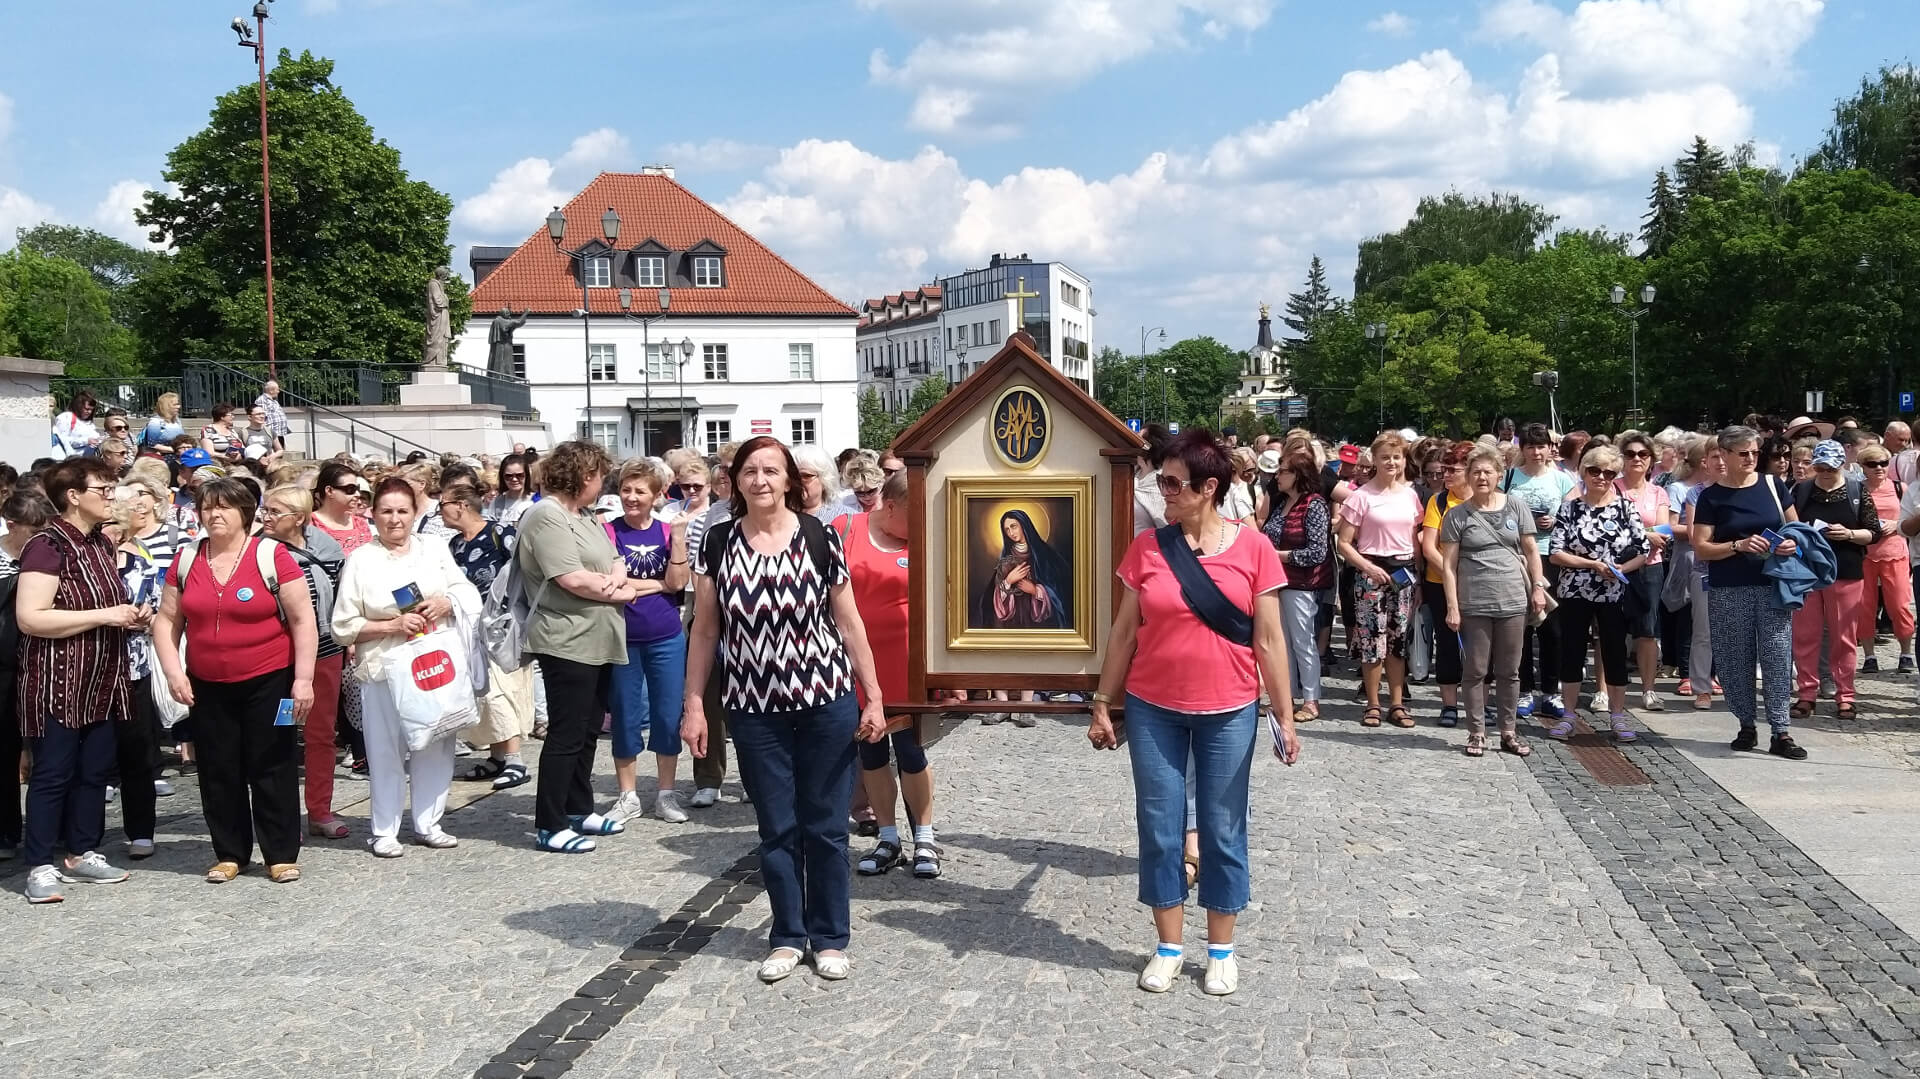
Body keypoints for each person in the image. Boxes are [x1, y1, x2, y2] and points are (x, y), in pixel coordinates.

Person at [1087, 429, 1302, 996]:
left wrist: (1284, 715)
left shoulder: (1254, 549)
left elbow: (1270, 641)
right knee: (1160, 827)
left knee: (1223, 827)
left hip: (1230, 708)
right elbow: (1124, 632)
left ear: (1209, 488)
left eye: (1173, 484)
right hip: (1152, 707)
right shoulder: (1148, 548)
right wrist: (1103, 701)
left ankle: (1222, 950)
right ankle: (1168, 947)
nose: (1163, 492)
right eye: (1161, 482)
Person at [681, 435, 889, 983]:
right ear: (736, 481)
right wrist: (694, 703)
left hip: (826, 700)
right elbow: (705, 630)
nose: (761, 480)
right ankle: (787, 936)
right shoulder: (719, 541)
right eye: (750, 471)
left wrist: (873, 696)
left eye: (772, 470)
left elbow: (849, 623)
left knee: (826, 826)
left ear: (790, 480)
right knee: (776, 827)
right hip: (753, 707)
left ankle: (830, 936)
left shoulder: (819, 535)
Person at [152, 477, 317, 885]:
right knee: (217, 769)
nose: (215, 514)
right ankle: (230, 852)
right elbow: (167, 621)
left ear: (245, 513)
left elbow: (303, 620)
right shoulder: (187, 558)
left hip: (271, 680)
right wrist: (174, 671)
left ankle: (280, 853)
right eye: (208, 507)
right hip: (207, 683)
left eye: (224, 507)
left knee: (273, 764)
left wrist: (303, 679)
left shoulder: (272, 555)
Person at [329, 478, 483, 858]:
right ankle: (384, 830)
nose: (394, 519)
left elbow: (467, 591)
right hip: (384, 667)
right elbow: (343, 626)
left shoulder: (434, 547)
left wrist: (446, 602)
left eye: (402, 511)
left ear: (415, 513)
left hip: (434, 662)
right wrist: (392, 625)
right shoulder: (361, 559)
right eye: (386, 511)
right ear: (373, 514)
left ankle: (429, 822)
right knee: (386, 751)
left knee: (436, 742)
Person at [15, 459, 143, 902]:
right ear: (73, 496)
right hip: (58, 680)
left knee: (94, 772)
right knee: (53, 774)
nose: (111, 497)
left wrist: (131, 615)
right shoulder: (47, 545)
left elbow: (106, 605)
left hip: (103, 678)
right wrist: (105, 615)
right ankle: (39, 864)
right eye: (103, 490)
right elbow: (31, 617)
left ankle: (81, 851)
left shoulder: (101, 542)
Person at [518, 441, 641, 854]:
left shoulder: (585, 515)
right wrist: (621, 591)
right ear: (583, 476)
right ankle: (550, 822)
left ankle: (577, 807)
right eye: (600, 476)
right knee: (566, 733)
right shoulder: (546, 516)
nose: (603, 484)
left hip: (598, 636)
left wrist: (616, 581)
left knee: (588, 730)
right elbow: (570, 578)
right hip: (565, 638)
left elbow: (615, 560)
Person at [845, 470, 941, 878]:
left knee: (911, 751)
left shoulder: (924, 542)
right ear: (890, 506)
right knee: (871, 750)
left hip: (905, 665)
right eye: (914, 515)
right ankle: (887, 837)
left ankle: (925, 837)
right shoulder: (846, 529)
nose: (921, 525)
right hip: (855, 664)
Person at [1691, 426, 1806, 760]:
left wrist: (1790, 543)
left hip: (1772, 585)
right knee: (1734, 657)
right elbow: (1701, 547)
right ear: (1725, 455)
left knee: (1777, 656)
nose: (1751, 459)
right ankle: (1746, 723)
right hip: (1730, 586)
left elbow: (1797, 530)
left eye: (1755, 452)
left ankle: (1781, 731)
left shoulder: (1773, 485)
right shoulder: (1711, 497)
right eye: (1743, 453)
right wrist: (1737, 545)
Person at [1440, 445, 1545, 757]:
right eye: (1476, 472)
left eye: (1487, 471)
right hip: (1474, 601)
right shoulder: (1457, 515)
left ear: (1499, 475)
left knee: (1510, 671)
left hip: (1513, 600)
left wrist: (1538, 587)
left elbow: (1531, 550)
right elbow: (1448, 565)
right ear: (1468, 477)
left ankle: (1508, 732)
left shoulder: (1516, 506)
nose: (1482, 477)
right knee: (1475, 670)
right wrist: (1452, 606)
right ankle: (1476, 732)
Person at [258, 484, 351, 838]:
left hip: (324, 653)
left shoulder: (327, 548)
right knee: (279, 735)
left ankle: (319, 810)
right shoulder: (258, 550)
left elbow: (341, 595)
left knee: (321, 734)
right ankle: (281, 818)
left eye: (274, 512)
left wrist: (347, 639)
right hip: (278, 659)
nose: (265, 518)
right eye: (265, 510)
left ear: (298, 518)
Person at [605, 459, 692, 825]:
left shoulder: (666, 531)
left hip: (665, 635)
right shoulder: (608, 531)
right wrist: (658, 584)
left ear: (657, 496)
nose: (631, 497)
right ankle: (627, 795)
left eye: (640, 491)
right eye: (626, 490)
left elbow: (679, 582)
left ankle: (665, 793)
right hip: (622, 637)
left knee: (667, 715)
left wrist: (679, 540)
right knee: (625, 714)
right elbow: (611, 583)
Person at [1547, 445, 1649, 742]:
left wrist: (1621, 568)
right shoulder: (1570, 508)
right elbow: (1555, 553)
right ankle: (1568, 715)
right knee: (1572, 651)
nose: (1601, 477)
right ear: (1584, 472)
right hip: (1575, 589)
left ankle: (1617, 715)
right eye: (1594, 471)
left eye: (1609, 473)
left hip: (1614, 592)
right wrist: (1592, 564)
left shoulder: (1625, 508)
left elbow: (1643, 550)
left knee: (1615, 652)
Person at [440, 481, 534, 790]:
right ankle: (497, 756)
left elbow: (524, 569)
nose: (440, 512)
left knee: (502, 691)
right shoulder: (455, 545)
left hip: (501, 628)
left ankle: (515, 759)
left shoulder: (500, 533)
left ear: (461, 505)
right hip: (469, 629)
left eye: (443, 505)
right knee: (483, 693)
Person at [1334, 431, 1423, 728]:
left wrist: (1420, 580)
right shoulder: (1361, 497)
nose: (1391, 462)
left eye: (1396, 457)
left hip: (1403, 574)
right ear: (1374, 459)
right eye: (1385, 457)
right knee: (1372, 641)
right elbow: (1344, 543)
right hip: (1371, 574)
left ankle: (1397, 703)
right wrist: (1367, 567)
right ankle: (1372, 703)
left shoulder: (1410, 495)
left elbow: (1415, 540)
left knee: (1399, 641)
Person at [1788, 441, 1879, 720]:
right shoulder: (1802, 490)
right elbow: (1788, 527)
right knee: (1805, 635)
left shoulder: (1856, 490)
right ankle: (1806, 694)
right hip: (1808, 572)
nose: (1825, 473)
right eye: (1820, 467)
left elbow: (1873, 532)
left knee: (1844, 637)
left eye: (1831, 468)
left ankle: (1845, 695)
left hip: (1846, 570)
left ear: (1841, 465)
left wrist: (1849, 534)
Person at [110, 478, 177, 859]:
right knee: (90, 757)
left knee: (137, 752)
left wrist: (149, 617)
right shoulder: (82, 560)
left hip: (134, 666)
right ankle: (79, 835)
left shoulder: (142, 559)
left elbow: (160, 608)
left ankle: (140, 830)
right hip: (89, 666)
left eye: (113, 524)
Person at [1507, 423, 1578, 718]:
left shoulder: (1562, 479)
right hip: (1517, 556)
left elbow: (1575, 516)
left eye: (1541, 446)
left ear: (1550, 448)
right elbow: (1498, 512)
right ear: (1522, 449)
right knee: (1521, 627)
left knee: (1553, 628)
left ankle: (1551, 691)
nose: (1536, 452)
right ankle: (1524, 690)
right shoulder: (1510, 477)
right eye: (1531, 447)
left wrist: (1555, 521)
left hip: (1552, 555)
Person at [0, 490, 55, 865]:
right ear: (11, 525)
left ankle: (51, 829)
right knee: (5, 749)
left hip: (42, 661)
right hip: (5, 666)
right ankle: (6, 830)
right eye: (33, 530)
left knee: (47, 749)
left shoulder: (46, 554)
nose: (39, 538)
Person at [1262, 450, 1332, 721]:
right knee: (1282, 643)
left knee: (1303, 641)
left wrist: (1278, 556)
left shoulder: (1315, 505)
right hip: (1276, 581)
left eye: (1283, 472)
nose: (1277, 477)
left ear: (1298, 475)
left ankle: (1311, 700)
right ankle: (1286, 698)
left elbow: (1317, 552)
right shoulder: (1282, 502)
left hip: (1302, 584)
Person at [1614, 432, 1674, 711]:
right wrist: (1645, 533)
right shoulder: (1612, 487)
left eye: (1642, 454)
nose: (1636, 459)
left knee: (1647, 630)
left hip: (1650, 566)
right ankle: (1605, 690)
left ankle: (1648, 690)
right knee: (1610, 630)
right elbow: (1607, 527)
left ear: (1651, 459)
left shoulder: (1658, 492)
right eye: (1630, 454)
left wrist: (1638, 532)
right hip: (1615, 566)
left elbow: (1663, 533)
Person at [1417, 443, 1472, 726]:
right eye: (1444, 469)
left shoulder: (1490, 500)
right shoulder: (1438, 502)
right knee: (1447, 643)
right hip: (1440, 582)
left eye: (1452, 470)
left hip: (1480, 585)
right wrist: (1454, 575)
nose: (1445, 475)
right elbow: (1429, 547)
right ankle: (1449, 704)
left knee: (1482, 645)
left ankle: (1480, 703)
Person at [1856, 443, 1914, 673]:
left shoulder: (1900, 488)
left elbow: (1911, 517)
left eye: (1883, 463)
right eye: (1872, 464)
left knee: (1899, 606)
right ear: (1863, 467)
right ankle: (1869, 656)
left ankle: (1906, 653)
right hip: (1864, 554)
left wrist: (1896, 524)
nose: (1879, 468)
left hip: (1894, 553)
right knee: (1864, 607)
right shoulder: (1856, 489)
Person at [973, 510, 1071, 631]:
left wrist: (1035, 590)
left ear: (1024, 524)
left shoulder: (1046, 555)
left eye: (1013, 526)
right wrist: (1008, 581)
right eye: (1007, 530)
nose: (1011, 533)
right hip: (1013, 625)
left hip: (1039, 626)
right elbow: (990, 600)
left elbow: (1061, 593)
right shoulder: (1006, 558)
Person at [311, 461, 374, 555]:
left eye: (357, 489)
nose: (357, 494)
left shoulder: (361, 524)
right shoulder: (309, 524)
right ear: (329, 491)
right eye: (350, 489)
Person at [792, 444, 849, 526]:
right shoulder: (778, 516)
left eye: (806, 476)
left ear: (825, 479)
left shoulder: (847, 518)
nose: (798, 481)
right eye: (793, 475)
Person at [1132, 426, 1171, 536]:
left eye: (1137, 440)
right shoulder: (1130, 473)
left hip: (1148, 544)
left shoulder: (1162, 482)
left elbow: (1165, 525)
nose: (1131, 443)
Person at [488, 453, 536, 527]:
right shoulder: (497, 503)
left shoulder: (536, 500)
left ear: (526, 475)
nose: (514, 479)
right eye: (508, 476)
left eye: (519, 475)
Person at [51, 391, 102, 459]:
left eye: (91, 410)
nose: (89, 412)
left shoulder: (89, 423)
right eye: (87, 409)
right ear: (78, 406)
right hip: (71, 460)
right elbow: (62, 440)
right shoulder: (66, 417)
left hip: (87, 460)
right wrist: (86, 441)